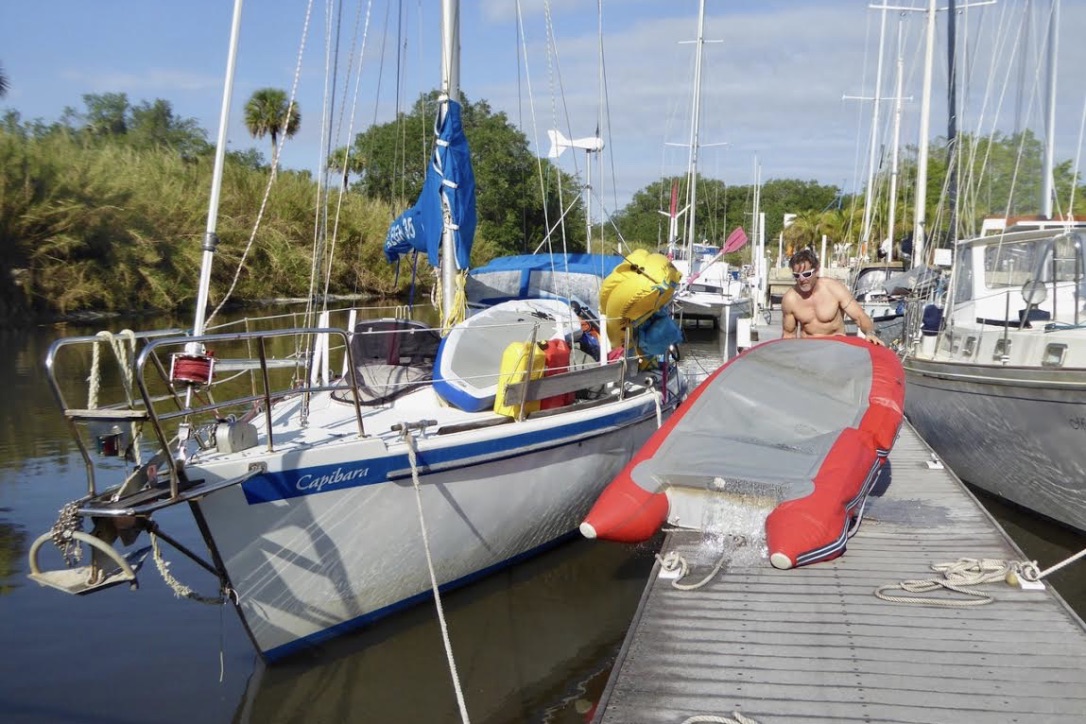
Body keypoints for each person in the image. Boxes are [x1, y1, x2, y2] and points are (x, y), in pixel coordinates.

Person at [781, 249, 885, 346]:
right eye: (797, 276)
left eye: (806, 274)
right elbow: (788, 335)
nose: (802, 279)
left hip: (835, 348)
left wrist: (869, 333)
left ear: (816, 270)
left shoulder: (834, 289)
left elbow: (860, 317)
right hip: (809, 350)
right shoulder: (790, 299)